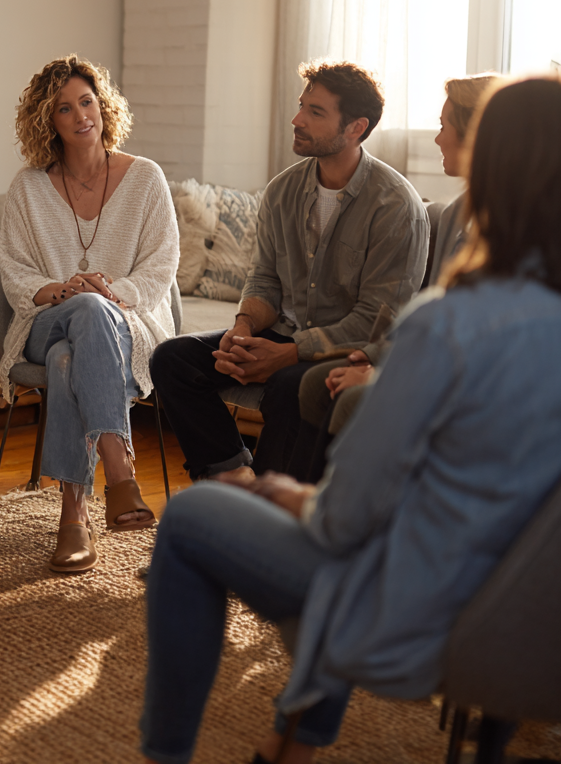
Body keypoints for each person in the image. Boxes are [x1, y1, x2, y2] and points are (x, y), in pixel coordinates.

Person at [139, 75, 561, 764]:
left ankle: (165, 756)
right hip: (536, 635)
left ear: (498, 171)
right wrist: (251, 331)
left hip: (428, 621)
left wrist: (286, 493)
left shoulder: (448, 328)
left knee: (194, 519)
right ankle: (290, 745)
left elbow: (345, 523)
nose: (439, 139)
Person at [149, 59, 429, 482]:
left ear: (355, 127)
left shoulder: (395, 207)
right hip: (283, 334)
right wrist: (242, 329)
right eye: (302, 106)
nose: (297, 120)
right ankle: (233, 476)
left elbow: (377, 319)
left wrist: (290, 353)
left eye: (316, 112)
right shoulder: (282, 191)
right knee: (173, 359)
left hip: (345, 349)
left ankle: (270, 503)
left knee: (289, 385)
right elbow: (265, 279)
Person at [0, 55, 179, 572]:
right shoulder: (28, 187)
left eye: (87, 101)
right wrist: (63, 290)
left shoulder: (146, 179)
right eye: (63, 109)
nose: (81, 116)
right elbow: (13, 272)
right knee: (84, 312)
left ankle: (73, 516)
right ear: (46, 122)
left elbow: (160, 268)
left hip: (127, 323)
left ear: (103, 105)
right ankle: (120, 474)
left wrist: (105, 293)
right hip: (46, 319)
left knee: (66, 364)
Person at [295, 72, 499, 477]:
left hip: (473, 379)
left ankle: (328, 516)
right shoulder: (458, 211)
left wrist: (385, 371)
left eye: (444, 128)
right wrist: (371, 357)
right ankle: (311, 506)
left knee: (346, 395)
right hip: (432, 361)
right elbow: (432, 318)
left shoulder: (512, 226)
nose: (438, 139)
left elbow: (473, 337)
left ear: (479, 135)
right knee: (318, 382)